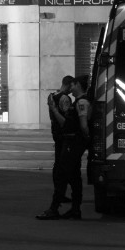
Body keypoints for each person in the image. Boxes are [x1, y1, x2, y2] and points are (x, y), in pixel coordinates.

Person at [37, 75, 92, 220]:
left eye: (73, 85)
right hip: (73, 142)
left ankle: (54, 209)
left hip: (73, 143)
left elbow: (82, 125)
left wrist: (54, 110)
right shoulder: (78, 102)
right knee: (74, 177)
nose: (70, 88)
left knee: (62, 175)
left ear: (78, 85)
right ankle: (75, 209)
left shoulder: (81, 102)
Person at [42, 75, 75, 208]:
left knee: (58, 163)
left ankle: (59, 193)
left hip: (55, 131)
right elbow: (67, 117)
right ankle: (60, 193)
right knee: (64, 164)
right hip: (63, 133)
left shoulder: (52, 96)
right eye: (71, 87)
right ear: (67, 85)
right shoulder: (64, 98)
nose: (72, 90)